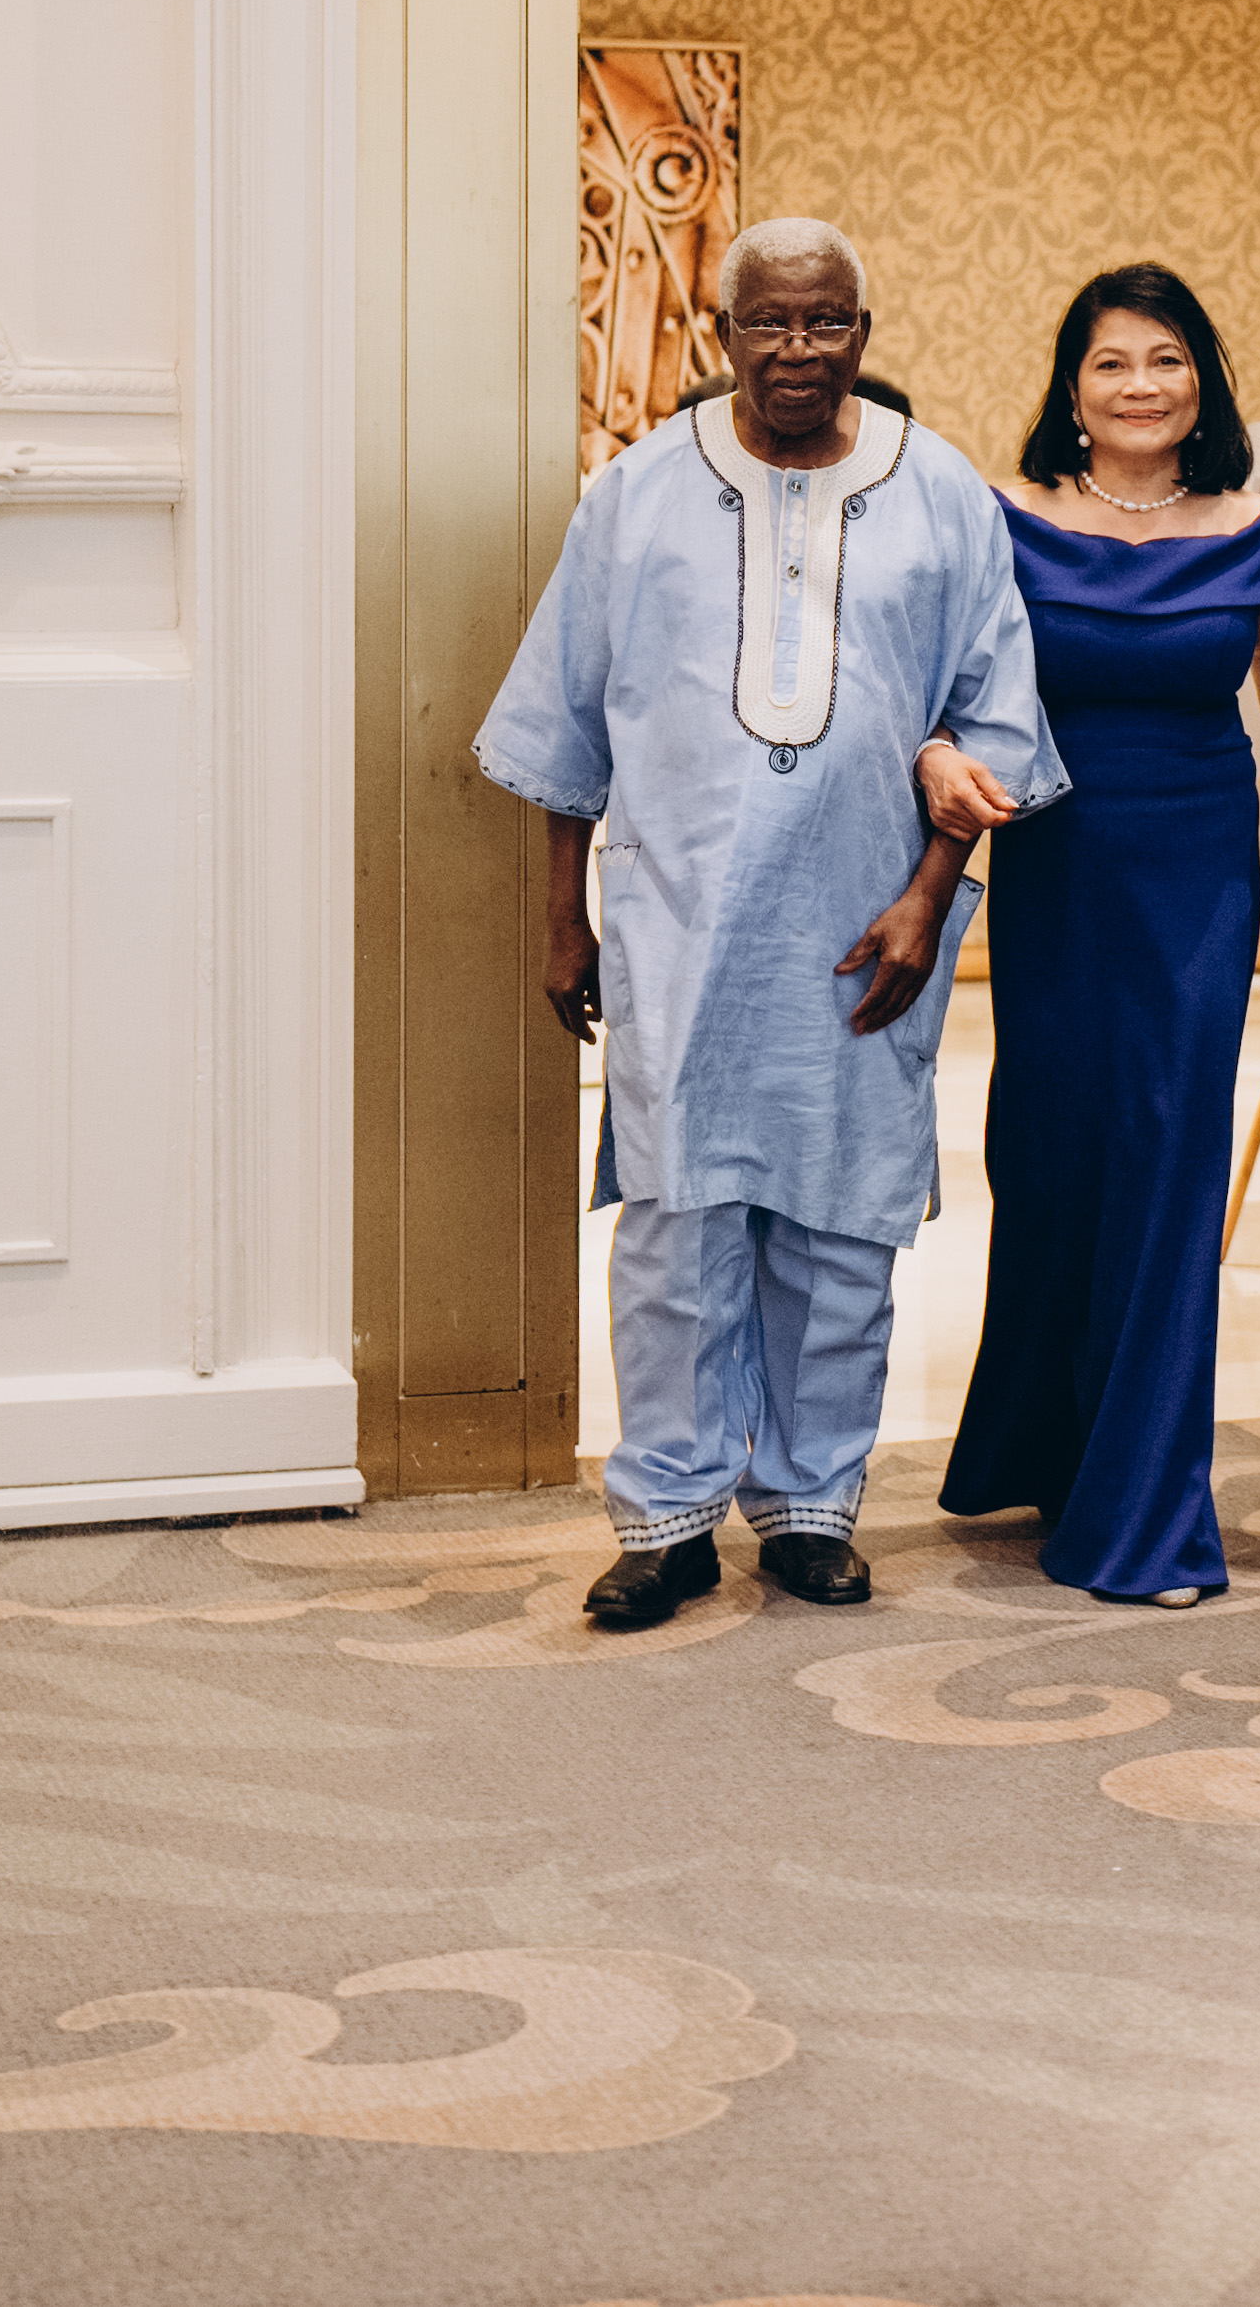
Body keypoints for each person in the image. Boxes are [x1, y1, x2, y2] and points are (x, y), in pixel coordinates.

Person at [478, 218, 1062, 1631]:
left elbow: (990, 715)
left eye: (827, 322)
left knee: (840, 1220)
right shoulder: (635, 492)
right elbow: (564, 725)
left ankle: (811, 1503)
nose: (797, 349)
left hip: (869, 923)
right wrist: (564, 921)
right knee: (674, 1221)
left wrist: (931, 895)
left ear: (864, 331)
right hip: (675, 919)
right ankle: (666, 1516)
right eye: (768, 322)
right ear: (723, 332)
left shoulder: (940, 491)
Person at [926, 264, 1260, 1605]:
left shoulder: (1257, 527)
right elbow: (948, 686)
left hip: (1196, 871)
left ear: (1202, 380)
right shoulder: (1004, 518)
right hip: (1057, 858)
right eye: (1111, 361)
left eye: (1167, 358)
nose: (1140, 384)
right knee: (1049, 1153)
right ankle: (1046, 1445)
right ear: (1071, 385)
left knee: (1165, 1157)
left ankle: (1144, 1515)